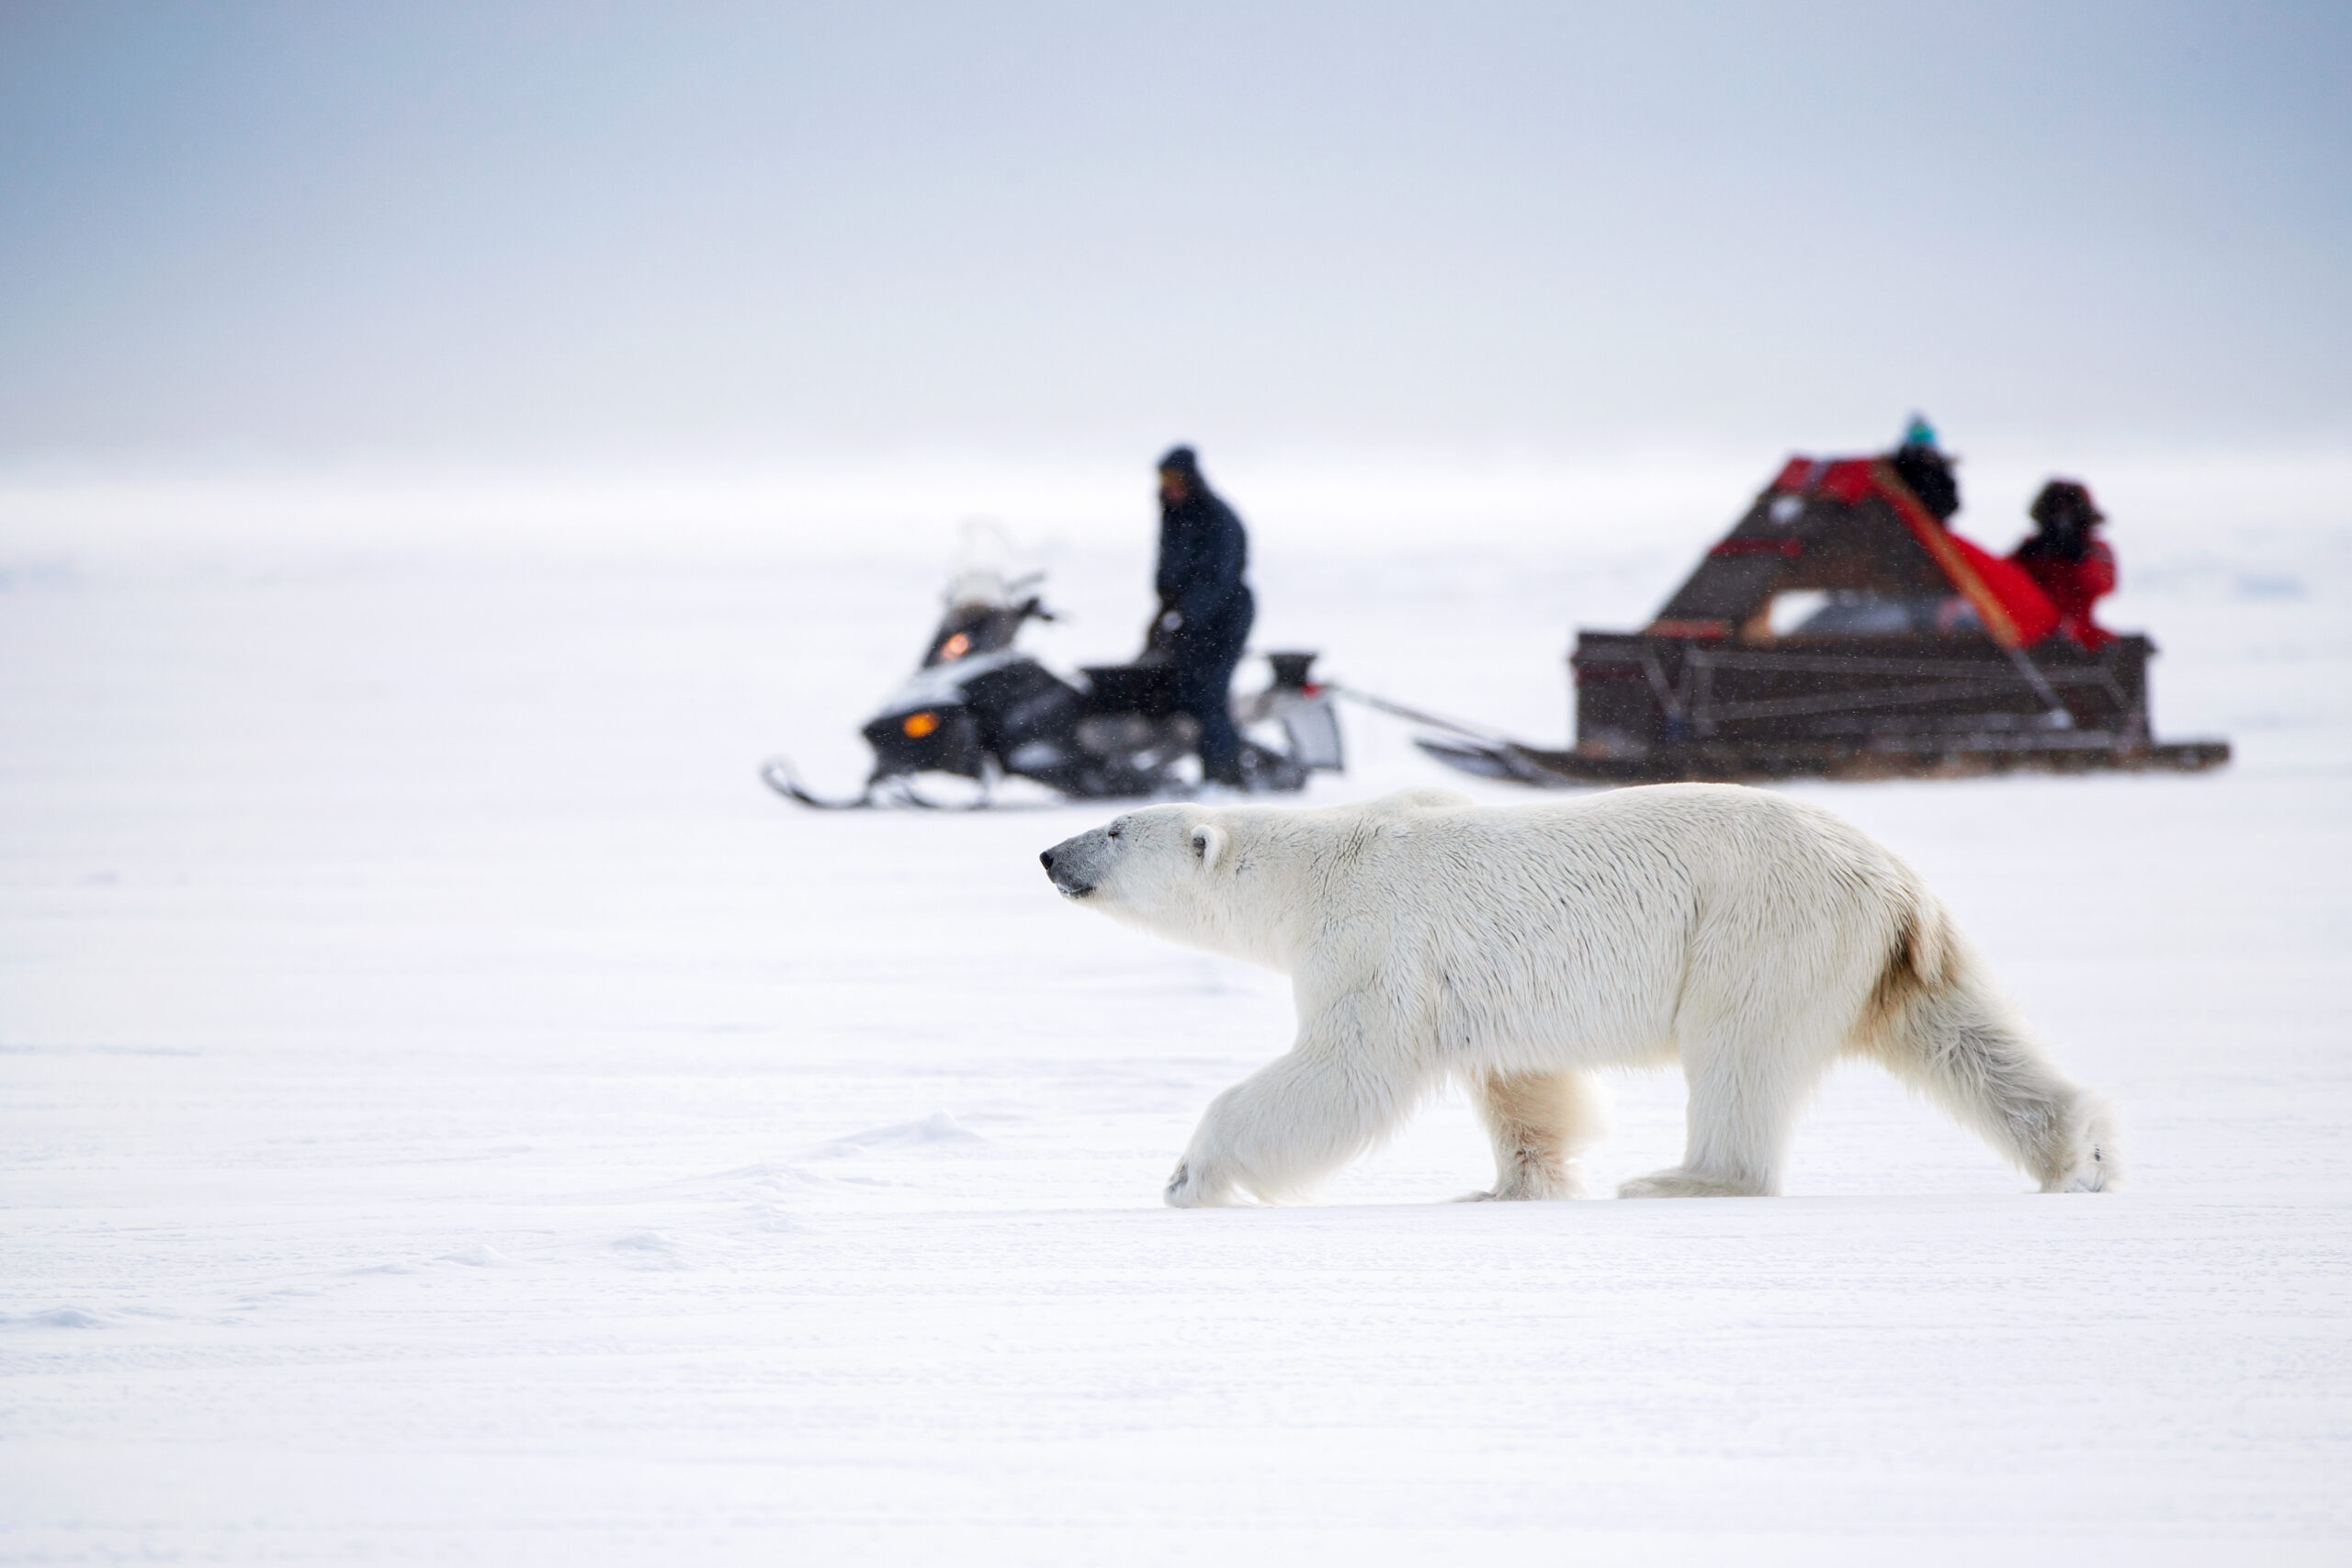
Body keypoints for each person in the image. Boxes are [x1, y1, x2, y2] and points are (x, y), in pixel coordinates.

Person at [1146, 446, 1255, 785]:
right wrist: (1165, 614)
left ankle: (1226, 780)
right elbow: (1170, 572)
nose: (1170, 486)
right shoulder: (1174, 515)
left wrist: (1187, 614)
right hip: (1188, 617)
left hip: (1225, 615)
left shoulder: (1216, 517)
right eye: (1164, 478)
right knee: (1180, 691)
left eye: (1176, 478)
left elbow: (1220, 579)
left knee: (1210, 695)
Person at [2011, 479, 2117, 650]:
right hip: (2033, 630)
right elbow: (2008, 585)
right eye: (2055, 509)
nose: (2062, 516)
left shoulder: (2095, 550)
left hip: (2080, 633)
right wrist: (2036, 553)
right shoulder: (2031, 548)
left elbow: (2103, 586)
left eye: (2070, 509)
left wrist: (2077, 559)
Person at [1888, 413, 1962, 523]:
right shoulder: (1896, 465)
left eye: (1924, 436)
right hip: (1901, 523)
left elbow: (1951, 503)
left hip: (1927, 525)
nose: (1921, 443)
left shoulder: (1939, 467)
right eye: (1917, 436)